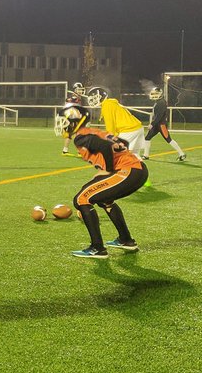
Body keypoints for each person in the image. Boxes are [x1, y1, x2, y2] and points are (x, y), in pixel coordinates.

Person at [56, 102, 148, 258]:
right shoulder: (93, 132)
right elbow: (123, 143)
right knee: (105, 200)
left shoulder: (81, 137)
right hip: (137, 170)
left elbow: (105, 147)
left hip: (128, 171)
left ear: (75, 122)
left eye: (64, 121)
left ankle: (97, 248)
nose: (62, 125)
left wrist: (108, 169)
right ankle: (126, 240)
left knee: (81, 199)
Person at [92, 87, 145, 153]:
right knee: (134, 156)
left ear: (100, 97)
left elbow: (110, 126)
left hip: (128, 130)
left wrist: (111, 139)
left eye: (94, 98)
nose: (92, 101)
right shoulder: (110, 103)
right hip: (138, 128)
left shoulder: (107, 106)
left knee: (117, 154)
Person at [141, 87, 186, 162]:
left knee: (168, 139)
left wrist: (152, 124)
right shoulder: (158, 101)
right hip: (157, 124)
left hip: (161, 125)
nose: (154, 95)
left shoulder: (161, 102)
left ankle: (182, 154)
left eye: (156, 93)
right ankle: (146, 155)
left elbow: (159, 116)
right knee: (147, 138)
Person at [61, 83, 86, 155]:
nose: (81, 91)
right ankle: (79, 151)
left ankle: (65, 150)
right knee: (77, 135)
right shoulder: (74, 98)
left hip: (72, 119)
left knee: (72, 135)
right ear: (75, 90)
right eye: (79, 90)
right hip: (73, 119)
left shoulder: (77, 98)